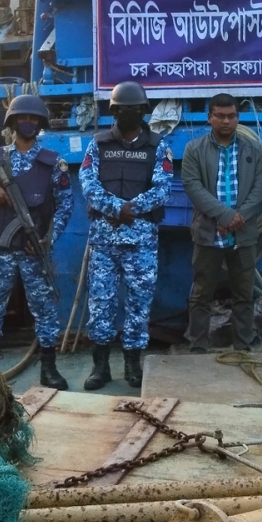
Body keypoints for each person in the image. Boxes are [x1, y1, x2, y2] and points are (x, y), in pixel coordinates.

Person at [0, 94, 72, 389]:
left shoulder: (53, 163)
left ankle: (48, 368)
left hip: (32, 249)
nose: (28, 122)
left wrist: (48, 238)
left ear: (40, 123)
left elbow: (65, 204)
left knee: (44, 306)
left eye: (33, 118)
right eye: (22, 118)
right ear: (12, 122)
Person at [78, 81, 173, 390]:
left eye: (134, 109)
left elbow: (162, 189)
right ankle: (100, 367)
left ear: (143, 111)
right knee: (100, 305)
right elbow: (88, 184)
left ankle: (133, 365)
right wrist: (118, 208)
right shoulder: (98, 144)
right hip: (104, 242)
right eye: (122, 109)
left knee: (138, 305)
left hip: (141, 242)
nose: (128, 113)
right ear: (113, 112)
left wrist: (133, 208)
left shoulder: (158, 146)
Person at [181, 93, 262, 352]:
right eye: (220, 116)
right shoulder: (194, 149)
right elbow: (192, 186)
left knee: (244, 294)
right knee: (201, 293)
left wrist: (238, 217)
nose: (225, 121)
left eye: (231, 116)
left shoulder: (254, 149)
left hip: (243, 233)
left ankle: (243, 346)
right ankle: (198, 347)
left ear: (237, 118)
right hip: (208, 232)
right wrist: (224, 215)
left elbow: (261, 187)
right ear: (209, 118)